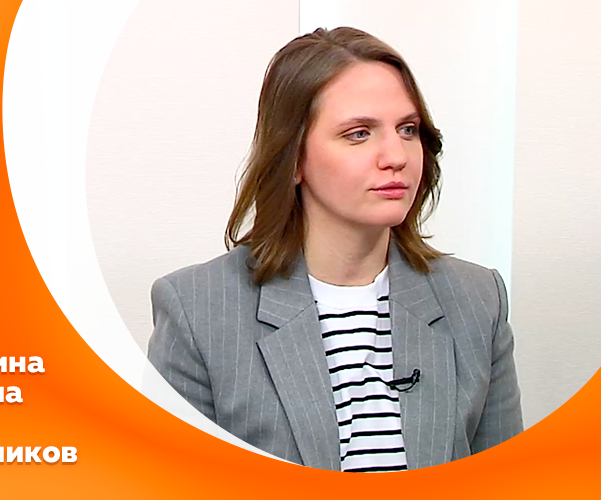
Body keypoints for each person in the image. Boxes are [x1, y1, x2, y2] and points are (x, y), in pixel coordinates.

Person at [147, 27, 523, 472]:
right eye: (359, 134)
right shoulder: (197, 311)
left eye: (408, 129)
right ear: (293, 159)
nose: (396, 156)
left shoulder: (478, 300)